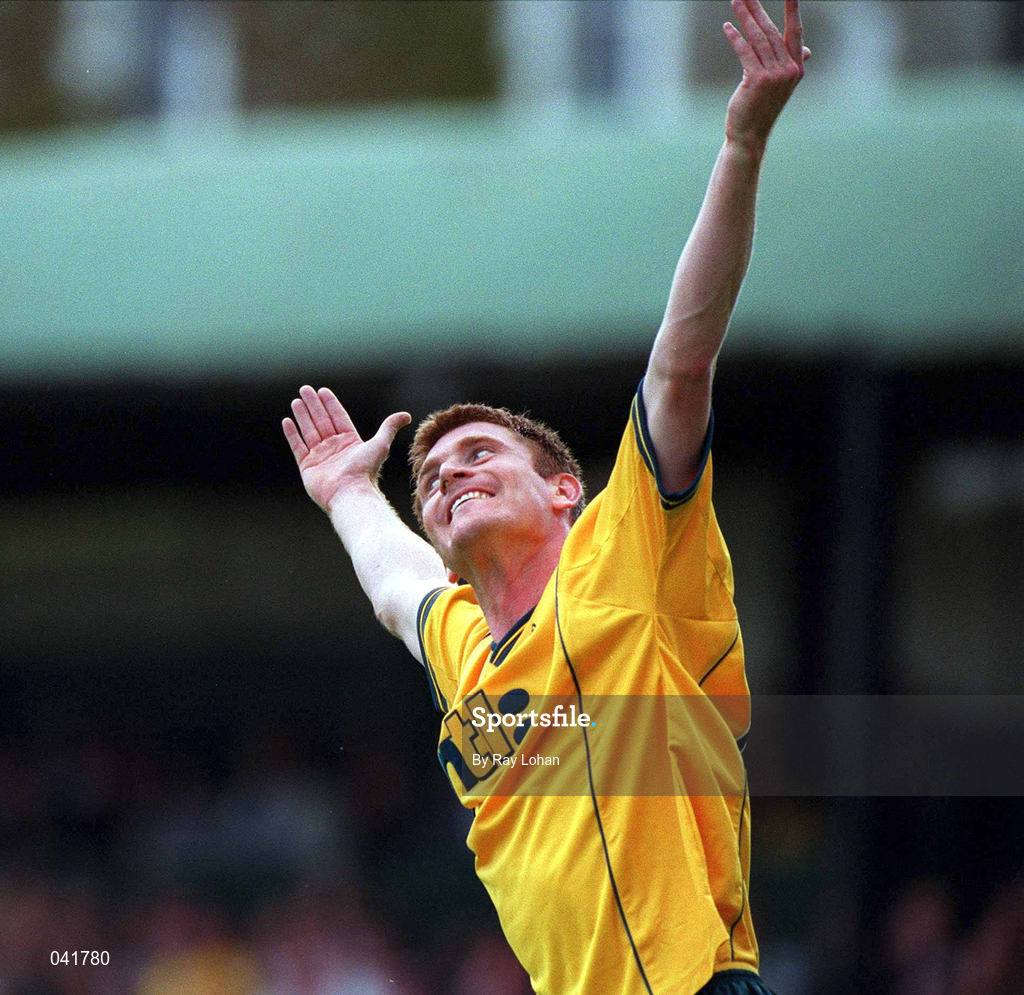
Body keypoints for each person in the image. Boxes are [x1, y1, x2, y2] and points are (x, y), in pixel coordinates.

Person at [282, 3, 809, 992]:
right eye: (432, 479)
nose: (447, 476)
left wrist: (740, 144)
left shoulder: (622, 554)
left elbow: (681, 362)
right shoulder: (463, 645)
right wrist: (351, 491)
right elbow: (397, 584)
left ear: (566, 489)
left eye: (480, 452)